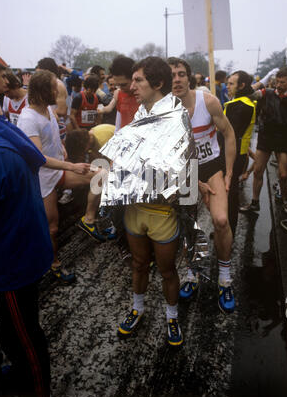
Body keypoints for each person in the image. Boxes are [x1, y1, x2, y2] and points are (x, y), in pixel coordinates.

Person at [110, 56, 189, 346]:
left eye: (138, 80)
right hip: (134, 210)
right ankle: (137, 308)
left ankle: (172, 316)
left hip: (162, 212)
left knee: (167, 270)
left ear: (157, 83)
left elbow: (179, 172)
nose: (131, 86)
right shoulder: (140, 115)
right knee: (139, 264)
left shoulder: (176, 118)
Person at [17, 70, 105, 283]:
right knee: (52, 228)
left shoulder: (48, 109)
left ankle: (88, 219)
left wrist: (63, 148)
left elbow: (55, 134)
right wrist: (71, 166)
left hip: (58, 171)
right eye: (55, 91)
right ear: (42, 91)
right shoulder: (28, 119)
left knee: (100, 175)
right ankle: (54, 264)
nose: (59, 96)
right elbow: (39, 158)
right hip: (42, 179)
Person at [168, 57, 236, 314]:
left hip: (209, 167)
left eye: (181, 74)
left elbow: (229, 133)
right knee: (189, 224)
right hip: (185, 172)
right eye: (172, 75)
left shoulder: (208, 102)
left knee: (220, 220)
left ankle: (225, 278)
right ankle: (193, 272)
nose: (177, 79)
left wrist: (229, 172)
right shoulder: (166, 110)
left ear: (190, 77)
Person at [0, 110, 52, 397]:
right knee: (6, 328)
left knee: (23, 338)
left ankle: (38, 396)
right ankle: (16, 373)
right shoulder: (3, 129)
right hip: (19, 253)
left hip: (9, 267)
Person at [240, 67, 287, 214]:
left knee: (283, 174)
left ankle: (284, 199)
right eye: (277, 81)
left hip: (284, 139)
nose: (278, 85)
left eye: (282, 82)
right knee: (257, 171)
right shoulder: (267, 93)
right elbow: (251, 94)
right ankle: (254, 202)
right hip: (266, 137)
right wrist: (264, 79)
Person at [223, 70, 256, 236]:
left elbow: (232, 136)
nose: (227, 86)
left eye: (231, 84)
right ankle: (226, 227)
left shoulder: (242, 106)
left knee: (230, 193)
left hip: (235, 156)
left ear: (241, 86)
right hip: (233, 154)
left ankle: (229, 230)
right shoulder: (237, 102)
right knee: (227, 192)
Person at [97, 55, 138, 131]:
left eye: (124, 85)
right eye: (117, 85)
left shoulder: (145, 95)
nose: (120, 88)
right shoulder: (119, 94)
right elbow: (118, 124)